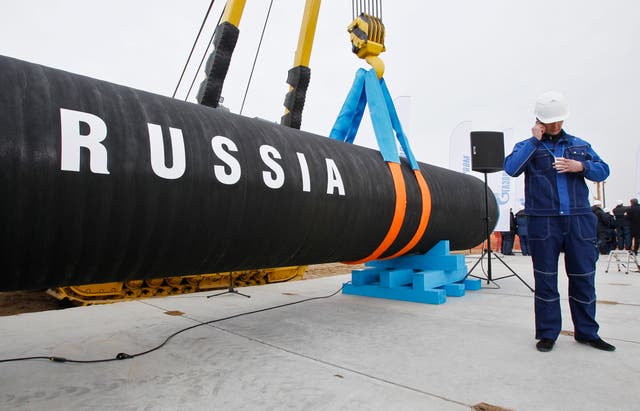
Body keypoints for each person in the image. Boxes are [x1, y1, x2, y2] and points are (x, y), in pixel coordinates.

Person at [504, 91, 615, 352]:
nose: (556, 126)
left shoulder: (580, 146)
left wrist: (581, 167)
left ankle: (587, 332)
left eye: (559, 121)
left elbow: (604, 170)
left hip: (579, 219)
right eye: (550, 121)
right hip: (544, 222)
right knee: (545, 278)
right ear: (539, 120)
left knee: (583, 277)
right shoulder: (527, 146)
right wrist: (534, 141)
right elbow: (512, 168)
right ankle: (547, 333)